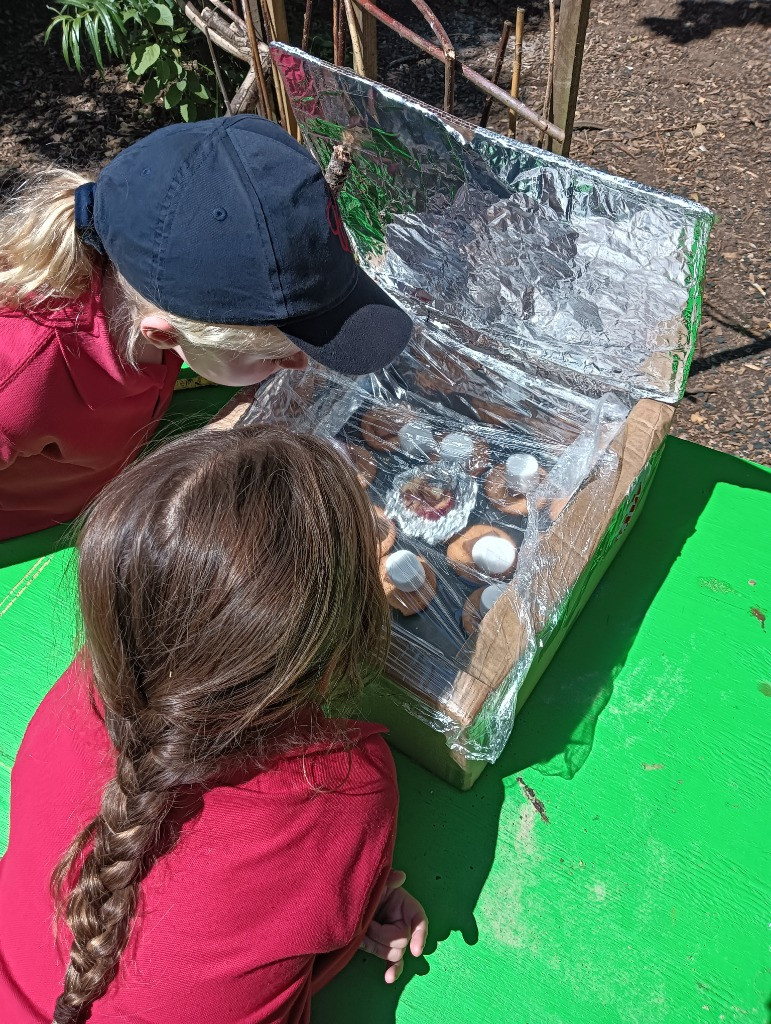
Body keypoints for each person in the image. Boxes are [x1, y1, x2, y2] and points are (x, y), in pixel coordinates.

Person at [0, 424, 427, 1023]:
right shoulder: (341, 782)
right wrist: (357, 903)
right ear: (331, 658)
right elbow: (306, 954)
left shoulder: (83, 691)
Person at [0, 114, 413, 541]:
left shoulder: (141, 293)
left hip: (117, 468)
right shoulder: (20, 380)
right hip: (43, 534)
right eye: (274, 355)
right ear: (163, 335)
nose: (300, 362)